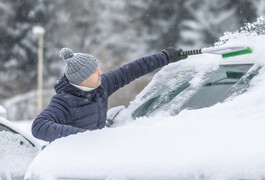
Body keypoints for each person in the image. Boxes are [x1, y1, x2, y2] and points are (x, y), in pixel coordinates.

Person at [32, 47, 187, 142]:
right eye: (94, 71)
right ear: (82, 80)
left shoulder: (101, 86)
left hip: (98, 152)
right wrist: (79, 135)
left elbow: (131, 70)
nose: (100, 72)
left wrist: (164, 57)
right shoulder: (64, 102)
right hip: (74, 162)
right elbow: (38, 126)